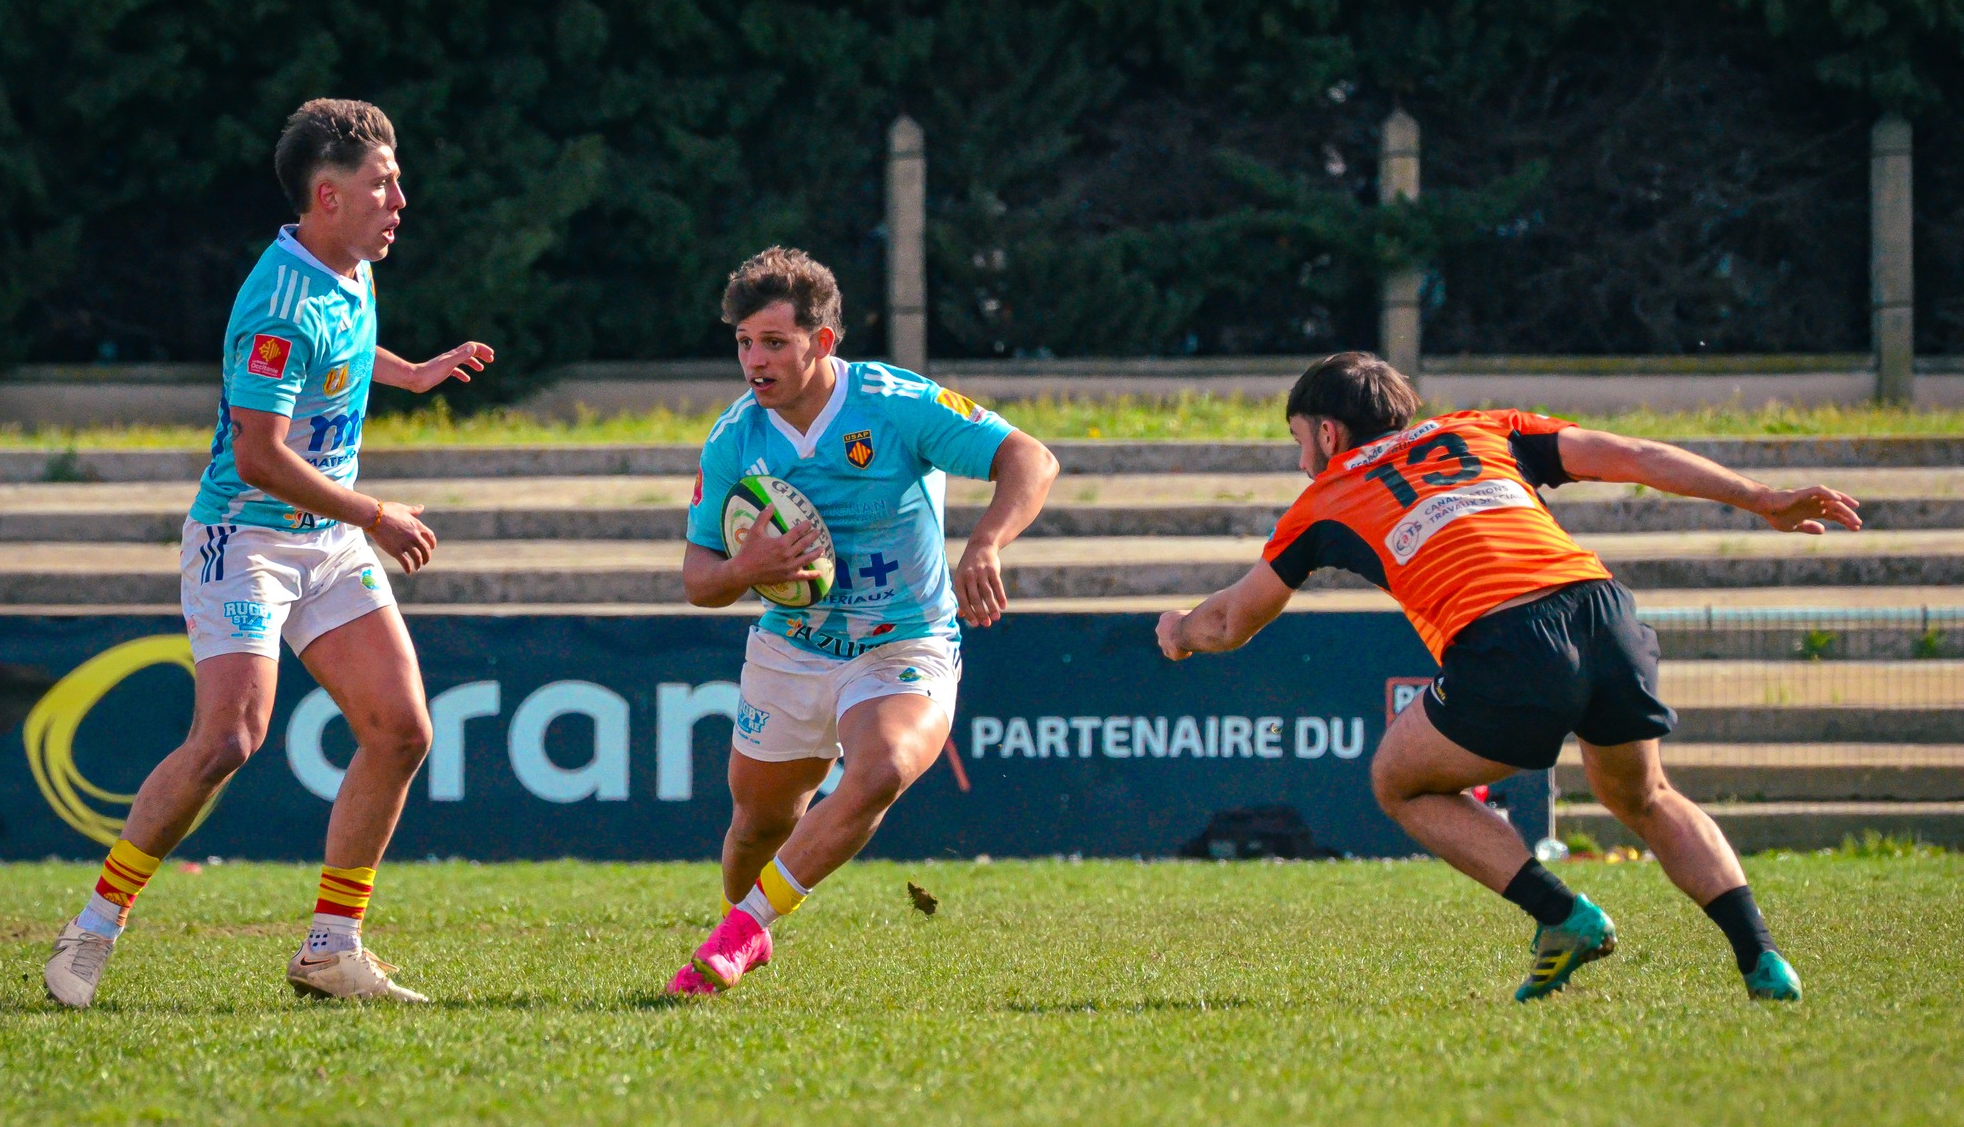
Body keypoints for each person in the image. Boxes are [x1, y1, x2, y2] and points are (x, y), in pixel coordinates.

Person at [1155, 352, 1861, 1002]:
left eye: (1299, 440)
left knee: (1399, 781)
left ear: (1330, 434)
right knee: (1645, 796)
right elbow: (1634, 455)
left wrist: (1180, 631)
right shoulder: (1484, 429)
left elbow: (1229, 624)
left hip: (1506, 639)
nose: (1301, 460)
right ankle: (1763, 958)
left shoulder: (1327, 497)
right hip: (1602, 609)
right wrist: (1762, 497)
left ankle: (1563, 916)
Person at [43, 99, 497, 1007]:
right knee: (228, 740)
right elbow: (259, 454)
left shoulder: (349, 267)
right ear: (328, 198)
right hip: (245, 541)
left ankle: (332, 949)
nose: (400, 196)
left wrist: (408, 373)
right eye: (382, 183)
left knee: (401, 730)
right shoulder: (281, 301)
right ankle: (93, 929)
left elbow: (342, 351)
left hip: (322, 542)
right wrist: (374, 512)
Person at [668, 247, 1059, 995]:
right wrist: (746, 570)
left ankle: (741, 933)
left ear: (824, 341)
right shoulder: (735, 438)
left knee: (878, 771)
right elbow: (698, 580)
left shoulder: (893, 402)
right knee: (756, 825)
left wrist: (986, 543)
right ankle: (745, 916)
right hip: (793, 647)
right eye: (745, 342)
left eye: (775, 342)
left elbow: (1030, 459)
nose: (755, 360)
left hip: (904, 642)